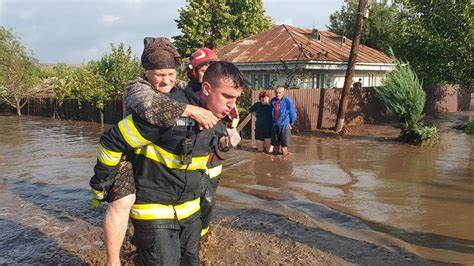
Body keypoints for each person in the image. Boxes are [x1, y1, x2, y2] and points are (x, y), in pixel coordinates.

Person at [90, 61, 245, 265]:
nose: (232, 106)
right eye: (227, 97)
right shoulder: (167, 113)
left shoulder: (218, 119)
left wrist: (224, 145)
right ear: (207, 89)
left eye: (235, 99)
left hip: (189, 211)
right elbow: (112, 141)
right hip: (153, 210)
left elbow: (208, 169)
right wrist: (102, 183)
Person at [270, 86, 297, 156]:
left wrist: (291, 124)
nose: (277, 94)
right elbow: (270, 113)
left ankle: (285, 163)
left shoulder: (288, 101)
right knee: (275, 146)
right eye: (276, 93)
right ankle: (275, 163)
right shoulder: (272, 101)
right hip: (275, 126)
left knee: (284, 147)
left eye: (279, 93)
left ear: (283, 93)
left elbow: (293, 114)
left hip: (284, 126)